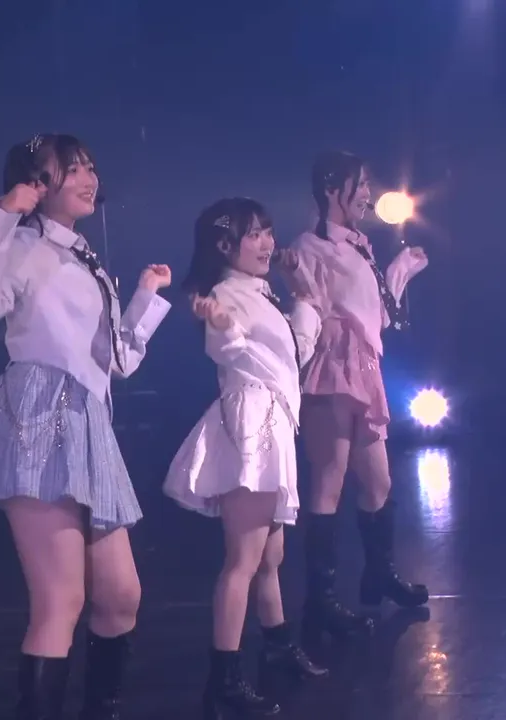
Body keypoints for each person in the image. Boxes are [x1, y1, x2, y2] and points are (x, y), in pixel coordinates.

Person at [0, 133, 173, 720]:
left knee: (120, 598)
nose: (88, 179)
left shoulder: (83, 257)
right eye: (72, 170)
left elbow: (119, 360)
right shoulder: (22, 245)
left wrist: (146, 297)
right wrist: (3, 214)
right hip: (39, 412)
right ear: (37, 182)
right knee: (60, 599)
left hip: (88, 423)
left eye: (90, 168)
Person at [164, 198, 328, 719]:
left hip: (273, 421)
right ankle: (224, 679)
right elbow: (228, 349)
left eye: (267, 232)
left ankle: (277, 644)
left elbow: (297, 352)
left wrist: (302, 294)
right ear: (224, 244)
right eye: (253, 234)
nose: (266, 243)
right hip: (252, 424)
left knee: (269, 556)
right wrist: (221, 324)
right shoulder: (225, 294)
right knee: (243, 560)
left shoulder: (262, 293)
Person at [284, 150, 431, 649]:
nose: (367, 193)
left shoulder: (359, 246)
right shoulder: (310, 247)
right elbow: (310, 310)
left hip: (365, 367)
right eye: (360, 184)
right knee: (328, 480)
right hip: (332, 368)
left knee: (379, 482)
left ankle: (378, 574)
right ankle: (320, 600)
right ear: (333, 188)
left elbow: (377, 317)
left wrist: (400, 271)